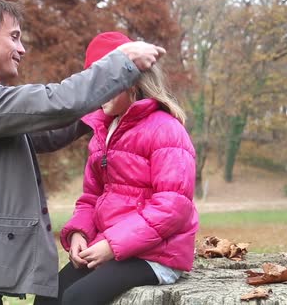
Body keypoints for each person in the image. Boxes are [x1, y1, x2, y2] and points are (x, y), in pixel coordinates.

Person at [0, 0, 166, 305]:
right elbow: (54, 103)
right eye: (14, 37)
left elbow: (48, 131)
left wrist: (114, 105)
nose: (22, 49)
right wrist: (120, 63)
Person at [34, 32, 199, 305]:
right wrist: (80, 233)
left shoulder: (166, 130)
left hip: (156, 254)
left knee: (79, 298)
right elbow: (91, 197)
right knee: (48, 294)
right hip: (112, 247)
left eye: (104, 82)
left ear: (131, 80)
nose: (97, 94)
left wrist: (112, 244)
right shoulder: (103, 131)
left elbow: (173, 207)